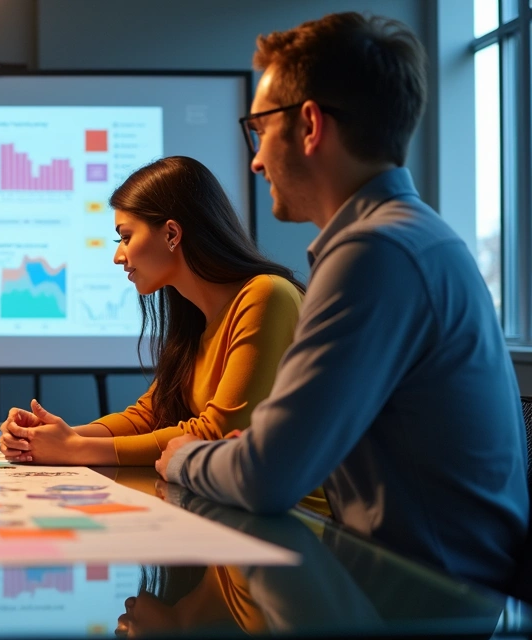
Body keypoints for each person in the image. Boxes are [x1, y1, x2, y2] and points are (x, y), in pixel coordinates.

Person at [155, 12, 528, 591]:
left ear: (309, 125)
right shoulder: (407, 236)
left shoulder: (374, 252)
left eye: (259, 128)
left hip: (424, 603)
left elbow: (268, 477)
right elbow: (282, 454)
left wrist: (182, 454)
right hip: (411, 586)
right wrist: (258, 452)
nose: (255, 160)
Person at [0, 157, 305, 468]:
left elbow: (218, 434)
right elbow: (148, 416)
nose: (119, 256)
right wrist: (49, 437)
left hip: (297, 513)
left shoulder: (267, 294)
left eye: (126, 237)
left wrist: (74, 449)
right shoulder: (197, 319)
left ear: (172, 234)